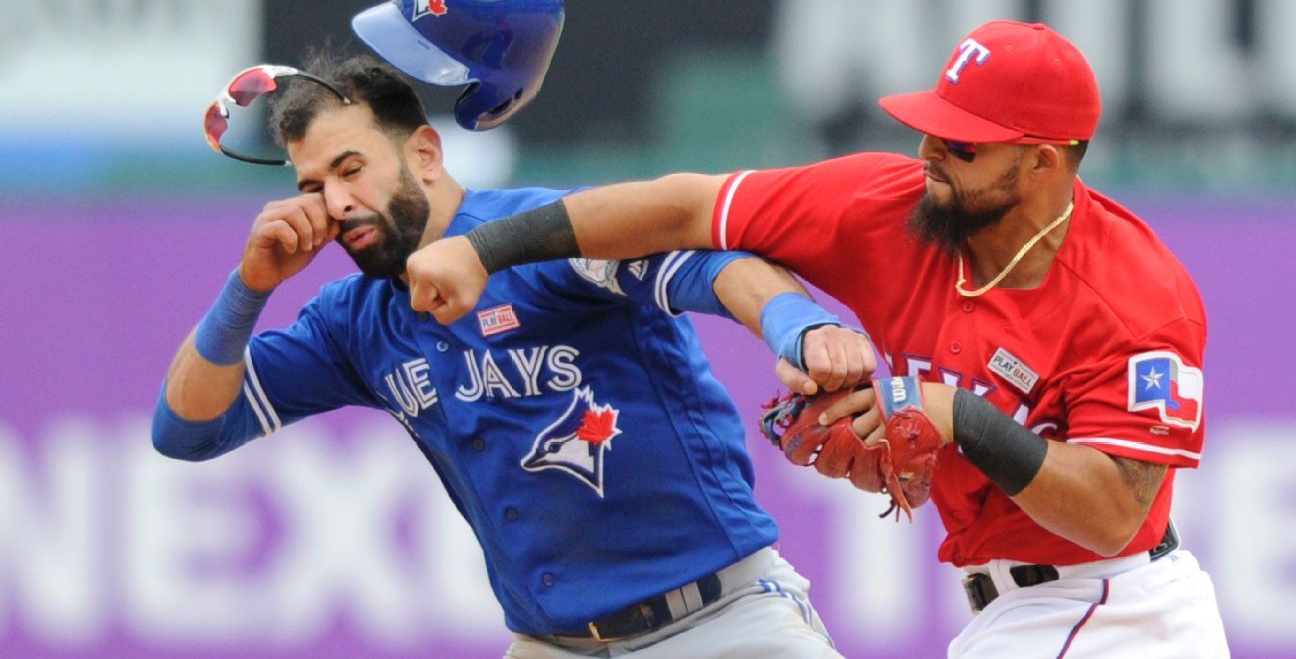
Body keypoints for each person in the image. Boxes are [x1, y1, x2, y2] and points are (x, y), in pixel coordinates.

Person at [405, 20, 1231, 657]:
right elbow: (685, 206)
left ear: (1046, 162)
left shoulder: (1134, 298)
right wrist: (486, 245)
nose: (930, 152)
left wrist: (957, 417)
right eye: (931, 125)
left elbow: (1115, 517)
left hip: (1116, 609)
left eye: (964, 144)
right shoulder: (892, 207)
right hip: (1017, 609)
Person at [157, 48, 871, 659]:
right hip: (552, 643)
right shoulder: (355, 320)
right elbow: (186, 429)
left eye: (351, 169)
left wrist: (796, 327)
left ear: (425, 154)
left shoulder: (540, 236)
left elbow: (704, 265)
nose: (335, 202)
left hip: (717, 625)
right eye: (312, 186)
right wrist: (248, 287)